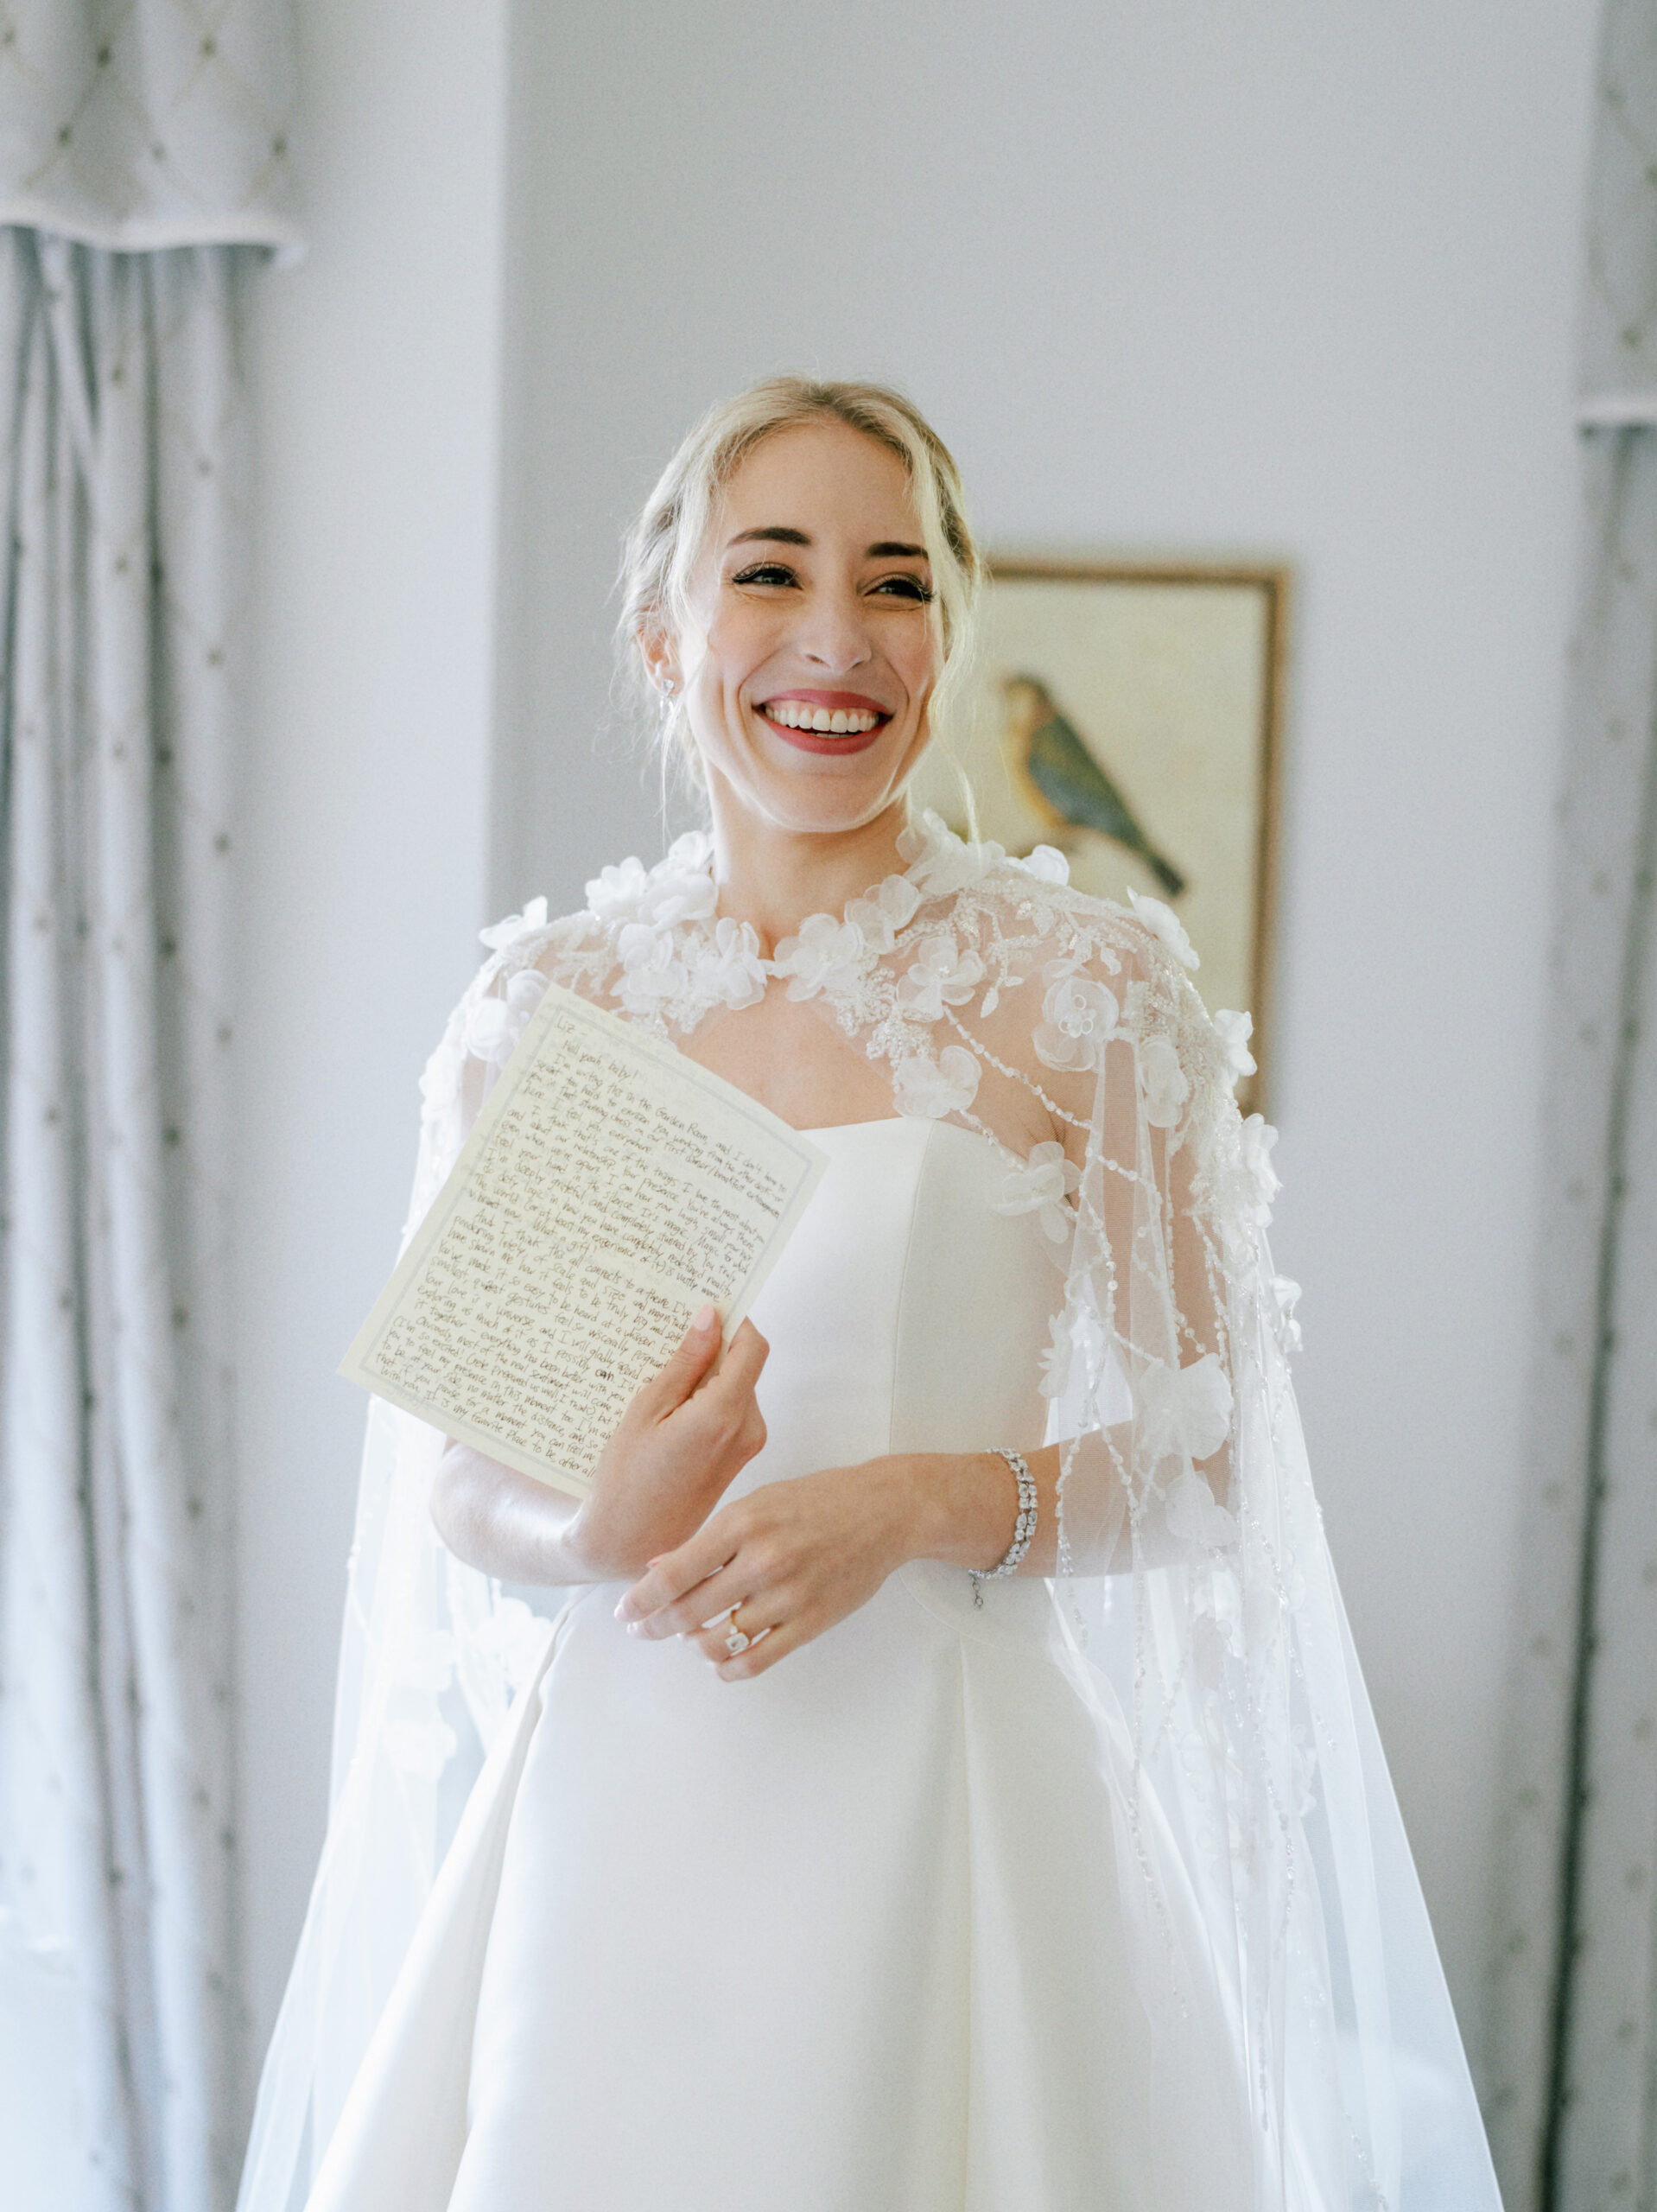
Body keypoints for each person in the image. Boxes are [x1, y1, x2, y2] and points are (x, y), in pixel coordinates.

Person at [238, 378, 1501, 2211]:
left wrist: (915, 1500)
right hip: (619, 1822)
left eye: (895, 583)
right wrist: (592, 1521)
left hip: (955, 1803)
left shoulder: (1080, 984)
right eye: (772, 572)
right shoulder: (560, 1004)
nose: (835, 636)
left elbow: (1211, 1456)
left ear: (944, 636)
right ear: (668, 632)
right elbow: (459, 1480)